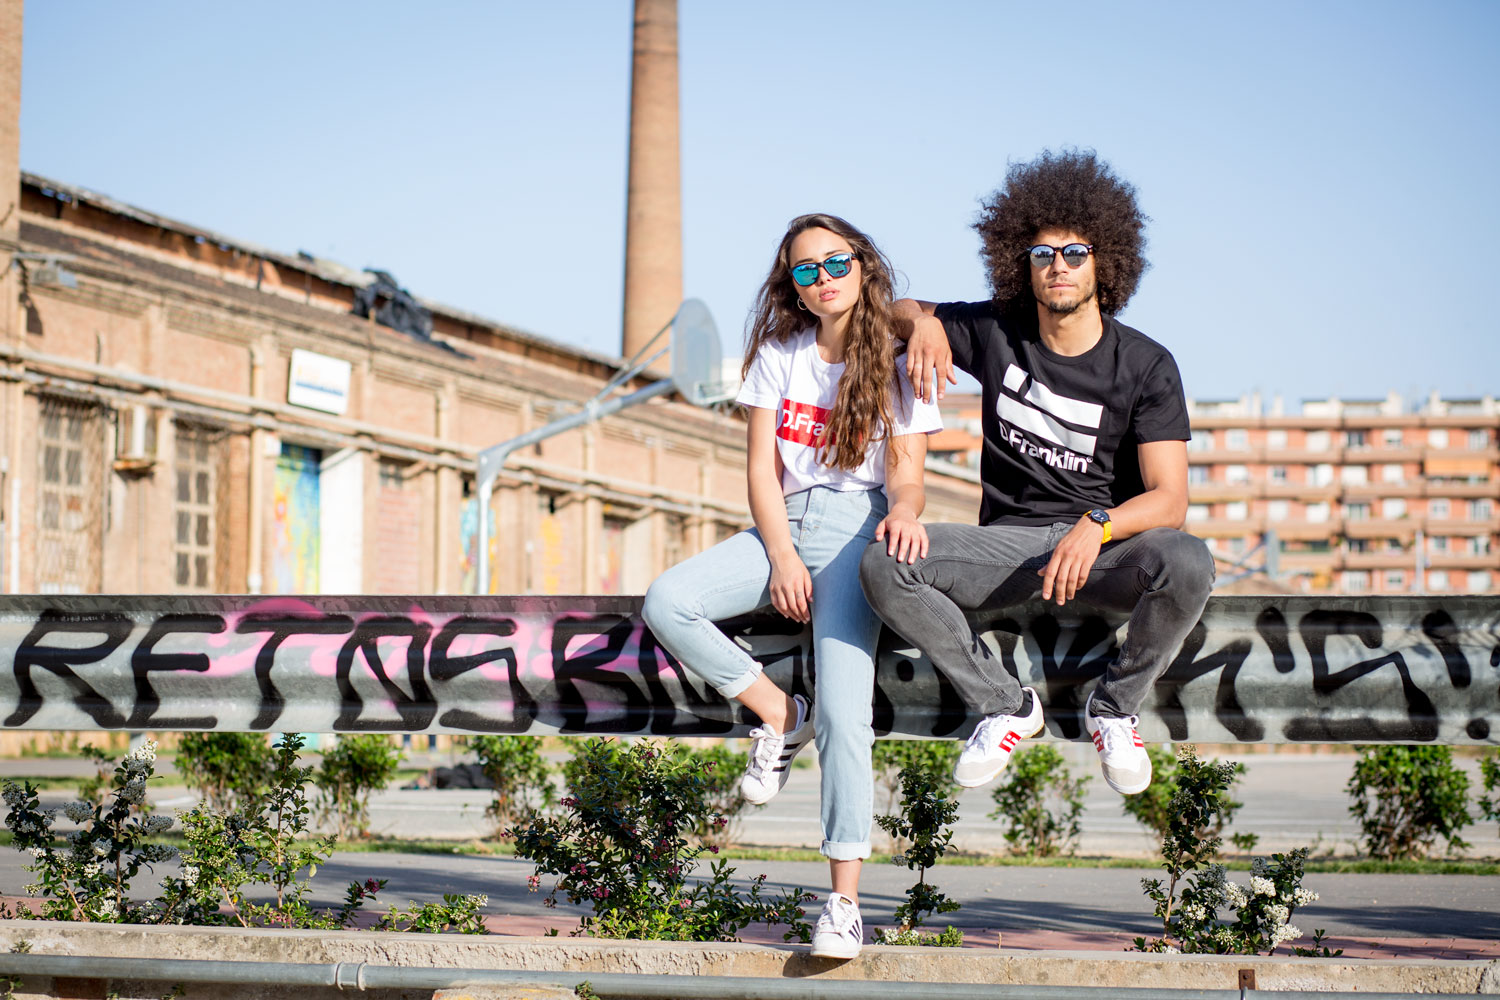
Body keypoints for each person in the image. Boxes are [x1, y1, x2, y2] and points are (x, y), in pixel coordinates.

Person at [859, 150, 1214, 797]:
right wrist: (926, 326)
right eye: (1042, 253)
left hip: (1104, 553)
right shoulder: (998, 330)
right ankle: (1005, 705)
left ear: (1105, 261)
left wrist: (1097, 525)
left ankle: (1114, 710)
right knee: (886, 564)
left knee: (1188, 560)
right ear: (1021, 263)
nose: (1059, 265)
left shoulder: (1146, 364)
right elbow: (891, 309)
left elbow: (1170, 499)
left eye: (1075, 252)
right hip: (1009, 551)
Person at [642, 213, 941, 959]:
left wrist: (905, 512)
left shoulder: (899, 359)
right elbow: (760, 471)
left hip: (858, 529)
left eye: (836, 263)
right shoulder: (780, 355)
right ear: (794, 287)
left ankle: (843, 904)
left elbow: (907, 475)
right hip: (785, 521)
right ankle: (779, 711)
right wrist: (779, 555)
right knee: (668, 601)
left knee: (847, 714)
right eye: (807, 270)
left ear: (863, 267)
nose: (824, 278)